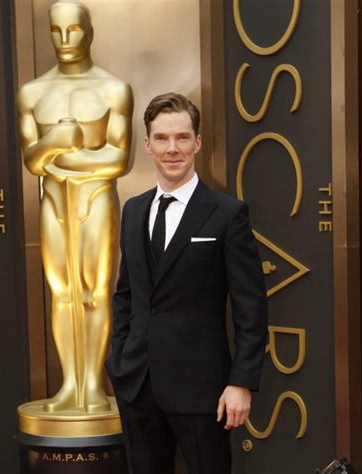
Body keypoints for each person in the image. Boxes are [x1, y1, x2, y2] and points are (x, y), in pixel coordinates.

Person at [106, 92, 268, 473]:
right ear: (147, 145)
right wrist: (120, 358)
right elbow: (126, 293)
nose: (172, 148)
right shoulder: (133, 211)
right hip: (137, 385)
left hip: (203, 391)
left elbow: (251, 307)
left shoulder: (228, 214)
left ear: (197, 142)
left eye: (181, 137)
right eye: (161, 138)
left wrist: (241, 382)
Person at [17, 0, 133, 414]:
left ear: (90, 31)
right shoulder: (32, 92)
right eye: (56, 31)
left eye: (74, 30)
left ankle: (93, 383)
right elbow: (31, 161)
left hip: (96, 198)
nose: (65, 40)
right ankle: (70, 383)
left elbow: (120, 159)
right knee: (62, 293)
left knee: (95, 291)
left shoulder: (114, 89)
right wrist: (53, 143)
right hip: (54, 201)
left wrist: (61, 157)